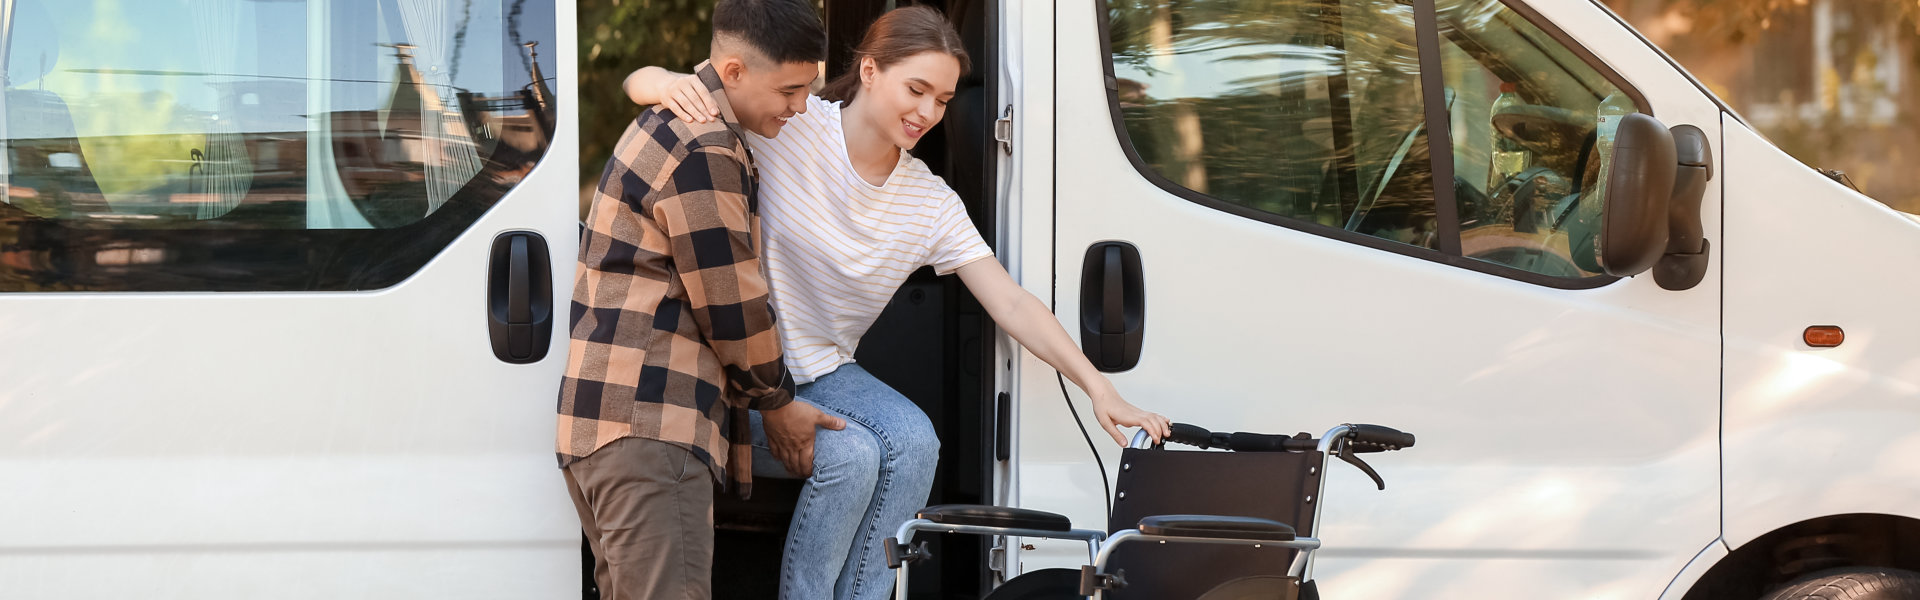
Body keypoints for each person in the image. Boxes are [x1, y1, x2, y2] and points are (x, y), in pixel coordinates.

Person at [624, 6, 1174, 599]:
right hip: (748, 372)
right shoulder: (791, 125)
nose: (928, 114)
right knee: (855, 457)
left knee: (915, 442)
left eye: (942, 100)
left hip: (826, 371)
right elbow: (649, 83)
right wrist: (663, 84)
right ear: (868, 71)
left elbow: (1011, 303)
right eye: (916, 90)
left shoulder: (929, 202)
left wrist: (1100, 387)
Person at [556, 1, 847, 598]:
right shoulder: (705, 147)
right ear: (734, 72)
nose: (800, 106)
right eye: (790, 89)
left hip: (608, 425)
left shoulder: (674, 119)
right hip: (651, 430)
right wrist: (776, 399)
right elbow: (731, 305)